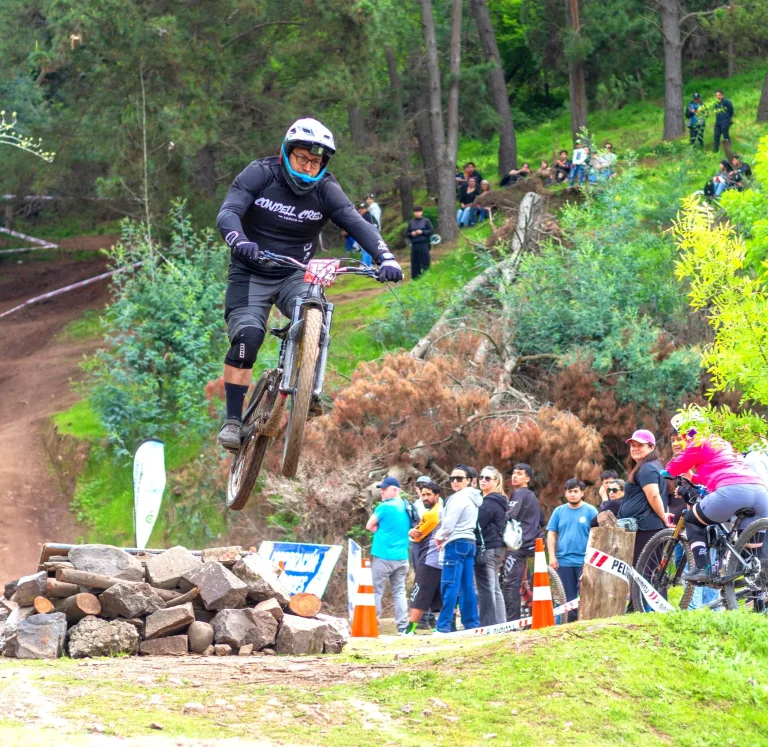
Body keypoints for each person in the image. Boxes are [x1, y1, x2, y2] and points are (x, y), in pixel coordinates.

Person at [215, 118, 403, 450]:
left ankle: (308, 388)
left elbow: (356, 223)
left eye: (316, 161)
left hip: (295, 272)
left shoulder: (326, 189)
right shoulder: (260, 173)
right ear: (287, 153)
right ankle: (232, 420)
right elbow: (229, 212)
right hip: (249, 271)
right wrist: (239, 239)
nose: (308, 166)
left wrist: (385, 258)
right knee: (248, 337)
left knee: (314, 308)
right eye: (303, 158)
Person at [666, 412, 768, 583]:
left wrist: (665, 472)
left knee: (691, 520)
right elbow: (719, 474)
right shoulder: (723, 443)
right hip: (760, 493)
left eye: (684, 433)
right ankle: (754, 592)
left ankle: (701, 568)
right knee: (753, 558)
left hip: (732, 492)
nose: (684, 437)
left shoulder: (698, 440)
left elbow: (675, 467)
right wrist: (693, 478)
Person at [433, 465, 482, 633]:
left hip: (455, 542)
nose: (455, 481)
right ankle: (471, 624)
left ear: (469, 481)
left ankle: (443, 625)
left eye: (459, 478)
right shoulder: (473, 497)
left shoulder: (459, 497)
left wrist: (439, 537)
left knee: (449, 584)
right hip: (469, 542)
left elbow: (448, 523)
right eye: (452, 478)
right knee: (467, 586)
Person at [616, 430, 673, 567]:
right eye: (633, 445)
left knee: (644, 573)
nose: (635, 449)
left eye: (640, 445)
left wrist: (663, 516)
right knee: (650, 573)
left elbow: (653, 495)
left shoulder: (647, 468)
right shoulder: (654, 466)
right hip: (647, 528)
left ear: (652, 447)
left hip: (645, 528)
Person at [546, 478, 598, 621]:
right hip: (564, 561)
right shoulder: (558, 511)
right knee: (567, 599)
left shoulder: (591, 511)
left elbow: (598, 535)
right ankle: (568, 624)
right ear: (565, 493)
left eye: (576, 491)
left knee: (586, 595)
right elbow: (551, 533)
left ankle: (587, 622)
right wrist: (552, 557)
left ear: (582, 493)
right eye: (570, 491)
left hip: (585, 561)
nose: (573, 494)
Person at [365, 476, 411, 633]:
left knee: (376, 591)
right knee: (399, 591)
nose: (382, 492)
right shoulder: (406, 505)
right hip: (402, 556)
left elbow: (369, 525)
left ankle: (372, 624)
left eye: (385, 489)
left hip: (383, 555)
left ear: (395, 490)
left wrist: (378, 530)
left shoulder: (384, 507)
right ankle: (403, 626)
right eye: (381, 489)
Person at [502, 463, 542, 621]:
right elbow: (542, 520)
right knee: (526, 582)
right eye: (513, 473)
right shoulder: (531, 496)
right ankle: (532, 616)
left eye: (519, 473)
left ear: (527, 478)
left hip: (518, 545)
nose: (514, 476)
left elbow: (510, 515)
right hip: (531, 542)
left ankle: (512, 623)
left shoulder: (520, 493)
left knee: (510, 584)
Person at [403, 480, 443, 634]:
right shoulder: (443, 510)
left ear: (437, 495)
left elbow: (417, 535)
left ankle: (410, 629)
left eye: (429, 495)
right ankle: (442, 626)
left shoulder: (431, 514)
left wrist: (409, 532)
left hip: (429, 560)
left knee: (419, 595)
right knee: (439, 596)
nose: (425, 498)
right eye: (423, 495)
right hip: (441, 561)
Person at [474, 466, 508, 626]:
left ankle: (491, 625)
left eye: (487, 478)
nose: (483, 480)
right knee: (494, 587)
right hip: (498, 547)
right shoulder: (500, 501)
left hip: (489, 547)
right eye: (481, 477)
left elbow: (476, 524)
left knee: (487, 587)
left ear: (495, 481)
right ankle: (500, 624)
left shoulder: (489, 503)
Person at [405, 205, 434, 280]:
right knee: (415, 262)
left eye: (419, 212)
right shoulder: (411, 222)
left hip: (424, 243)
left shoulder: (426, 221)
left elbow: (431, 231)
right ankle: (415, 277)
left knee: (425, 260)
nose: (417, 213)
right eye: (416, 212)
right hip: (415, 244)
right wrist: (412, 234)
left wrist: (422, 232)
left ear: (421, 212)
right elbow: (406, 233)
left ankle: (426, 275)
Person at [357, 203, 377, 267]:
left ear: (365, 209)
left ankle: (365, 265)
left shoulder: (367, 216)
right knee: (367, 250)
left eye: (363, 209)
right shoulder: (366, 216)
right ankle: (368, 265)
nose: (361, 210)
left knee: (366, 250)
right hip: (368, 235)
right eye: (360, 209)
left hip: (368, 235)